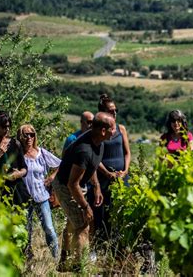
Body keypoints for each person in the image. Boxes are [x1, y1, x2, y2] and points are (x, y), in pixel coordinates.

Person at [53, 112, 115, 272]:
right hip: (65, 186)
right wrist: (85, 206)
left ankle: (64, 261)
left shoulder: (98, 142)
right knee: (82, 224)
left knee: (74, 222)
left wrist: (96, 187)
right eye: (112, 128)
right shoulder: (84, 150)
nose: (114, 131)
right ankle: (81, 268)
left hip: (77, 183)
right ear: (103, 130)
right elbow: (72, 184)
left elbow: (92, 165)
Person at [89, 94, 131, 240]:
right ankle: (102, 245)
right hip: (103, 178)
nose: (114, 113)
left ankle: (119, 243)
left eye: (115, 110)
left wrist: (125, 171)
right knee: (102, 213)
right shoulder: (97, 131)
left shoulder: (121, 129)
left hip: (122, 176)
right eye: (110, 111)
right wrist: (107, 173)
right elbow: (94, 156)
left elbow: (127, 152)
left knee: (120, 210)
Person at [17, 124, 60, 259]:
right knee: (25, 231)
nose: (29, 137)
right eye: (26, 134)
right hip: (24, 199)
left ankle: (56, 258)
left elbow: (61, 164)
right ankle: (26, 259)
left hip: (42, 197)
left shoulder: (41, 153)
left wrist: (51, 177)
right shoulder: (17, 155)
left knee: (49, 228)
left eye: (32, 134)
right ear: (20, 136)